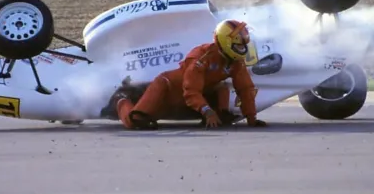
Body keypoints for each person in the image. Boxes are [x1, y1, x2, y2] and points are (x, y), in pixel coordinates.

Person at [112, 19, 268, 130]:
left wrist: (251, 118)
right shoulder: (201, 57)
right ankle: (121, 100)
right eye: (238, 44)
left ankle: (222, 112)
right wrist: (207, 111)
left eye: (243, 44)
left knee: (221, 86)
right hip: (169, 90)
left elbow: (245, 89)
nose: (242, 48)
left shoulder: (236, 61)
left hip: (197, 97)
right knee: (136, 122)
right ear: (226, 42)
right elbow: (190, 91)